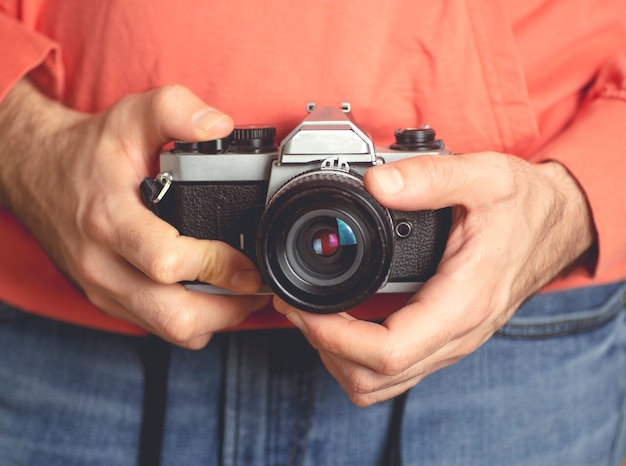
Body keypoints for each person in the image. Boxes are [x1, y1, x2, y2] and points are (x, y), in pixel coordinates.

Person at [0, 0, 625, 464]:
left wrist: (571, 200)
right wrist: (23, 138)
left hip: (511, 323)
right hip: (74, 306)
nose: (324, 241)